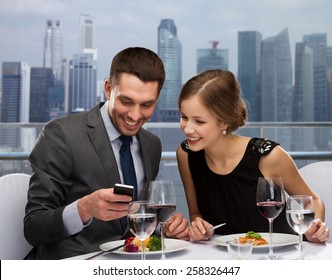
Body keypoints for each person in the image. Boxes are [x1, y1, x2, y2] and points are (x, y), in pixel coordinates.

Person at [24, 47, 189, 259]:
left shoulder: (151, 144)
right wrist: (83, 209)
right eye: (127, 101)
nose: (135, 115)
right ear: (108, 89)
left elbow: (138, 221)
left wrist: (165, 229)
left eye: (146, 105)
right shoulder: (62, 134)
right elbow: (33, 227)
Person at [176, 69, 329, 242]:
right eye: (183, 117)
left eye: (199, 121)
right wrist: (199, 226)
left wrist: (313, 227)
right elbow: (197, 213)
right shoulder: (186, 155)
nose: (187, 128)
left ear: (225, 121)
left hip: (279, 255)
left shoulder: (269, 157)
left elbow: (313, 200)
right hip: (225, 258)